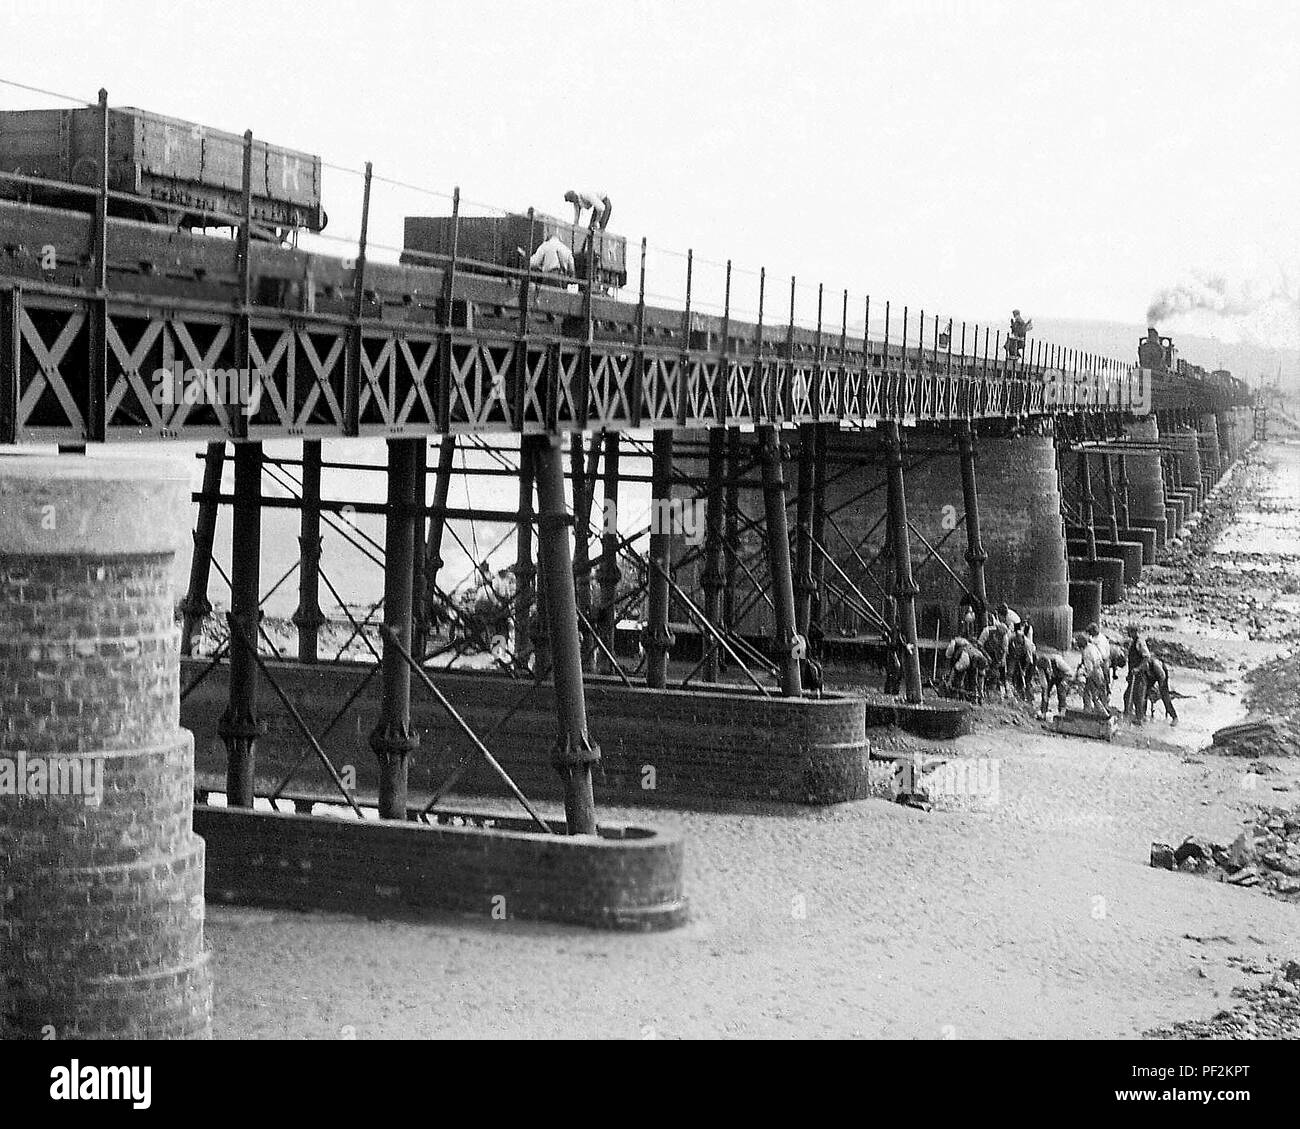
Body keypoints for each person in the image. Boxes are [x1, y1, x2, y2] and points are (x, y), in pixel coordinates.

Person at [1132, 652, 1178, 726]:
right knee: (1143, 695)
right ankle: (1141, 717)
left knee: (1165, 696)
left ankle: (1174, 717)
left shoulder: (1156, 665)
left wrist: (1161, 689)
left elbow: (1162, 677)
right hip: (1149, 675)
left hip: (1160, 675)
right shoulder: (1142, 668)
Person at [1033, 648, 1073, 719]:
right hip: (1051, 678)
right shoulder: (1041, 668)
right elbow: (1044, 683)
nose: (1046, 669)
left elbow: (1070, 672)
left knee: (1061, 691)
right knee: (1045, 692)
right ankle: (1043, 712)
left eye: (1047, 668)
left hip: (1062, 676)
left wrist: (1064, 682)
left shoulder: (1058, 661)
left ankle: (1062, 712)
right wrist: (1045, 692)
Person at [1076, 630, 1109, 713]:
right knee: (1089, 693)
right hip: (1099, 671)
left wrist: (1083, 675)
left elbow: (1089, 668)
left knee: (1094, 695)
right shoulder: (1092, 646)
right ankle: (1090, 709)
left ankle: (1101, 712)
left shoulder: (1087, 652)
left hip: (1094, 673)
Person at [977, 614, 1010, 698]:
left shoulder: (1004, 637)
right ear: (998, 629)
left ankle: (992, 693)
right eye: (1001, 634)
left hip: (995, 655)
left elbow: (1004, 650)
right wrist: (987, 656)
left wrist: (1001, 660)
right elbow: (979, 645)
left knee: (995, 674)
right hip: (983, 652)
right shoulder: (987, 631)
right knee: (983, 671)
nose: (1001, 636)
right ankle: (980, 690)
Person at [1006, 621, 1036, 702]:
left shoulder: (1027, 645)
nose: (1018, 644)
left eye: (1019, 643)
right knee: (1013, 674)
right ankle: (1016, 693)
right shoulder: (1011, 638)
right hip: (1015, 656)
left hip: (1028, 658)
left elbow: (1028, 660)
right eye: (1017, 642)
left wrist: (1024, 670)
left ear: (1022, 639)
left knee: (1026, 678)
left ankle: (1029, 698)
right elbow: (1008, 651)